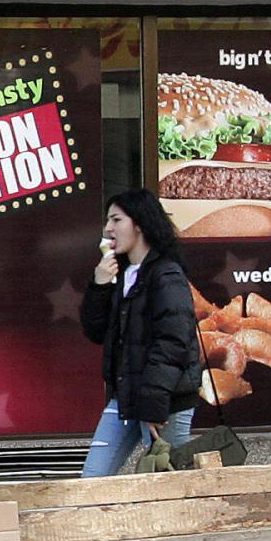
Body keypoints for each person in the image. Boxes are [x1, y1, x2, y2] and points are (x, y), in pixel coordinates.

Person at [80, 188, 202, 478]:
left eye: (116, 220)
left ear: (139, 224)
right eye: (108, 221)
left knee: (168, 484)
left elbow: (173, 343)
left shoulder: (166, 274)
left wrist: (154, 406)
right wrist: (99, 284)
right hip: (125, 397)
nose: (108, 228)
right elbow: (96, 331)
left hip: (165, 401)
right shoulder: (121, 274)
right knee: (92, 481)